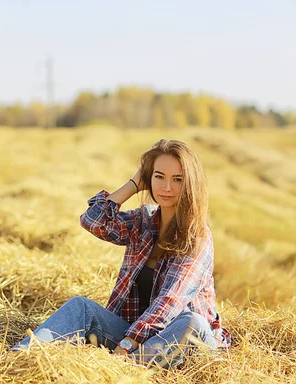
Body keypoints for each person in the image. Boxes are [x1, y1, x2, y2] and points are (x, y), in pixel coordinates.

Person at [12, 139, 231, 369]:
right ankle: (16, 361)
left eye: (178, 179)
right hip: (139, 340)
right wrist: (134, 183)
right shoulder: (143, 221)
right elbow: (93, 221)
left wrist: (127, 344)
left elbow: (170, 301)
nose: (167, 187)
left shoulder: (196, 237)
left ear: (191, 184)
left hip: (182, 340)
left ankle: (120, 371)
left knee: (192, 323)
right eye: (159, 176)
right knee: (81, 307)